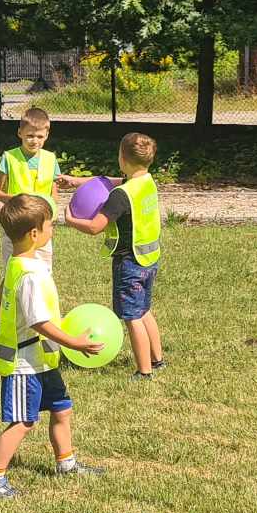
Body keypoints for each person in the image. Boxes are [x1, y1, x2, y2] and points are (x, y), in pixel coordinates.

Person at [0, 195, 103, 498]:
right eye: (49, 225)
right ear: (34, 233)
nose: (52, 230)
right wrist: (74, 343)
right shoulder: (30, 275)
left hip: (42, 359)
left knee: (62, 409)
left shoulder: (22, 263)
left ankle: (66, 463)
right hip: (25, 363)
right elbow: (38, 322)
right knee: (23, 422)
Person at [65, 131, 164, 379]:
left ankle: (144, 371)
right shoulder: (146, 181)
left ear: (123, 158)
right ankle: (157, 360)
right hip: (149, 259)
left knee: (132, 317)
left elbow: (94, 227)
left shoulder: (120, 196)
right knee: (144, 310)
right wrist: (77, 181)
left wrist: (70, 220)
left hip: (129, 262)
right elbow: (112, 180)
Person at [0, 107, 59, 330]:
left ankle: (46, 319)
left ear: (47, 135)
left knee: (44, 272)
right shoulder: (9, 158)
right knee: (13, 272)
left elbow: (54, 194)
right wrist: (17, 199)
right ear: (20, 133)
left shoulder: (50, 159)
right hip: (16, 228)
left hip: (42, 229)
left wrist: (50, 219)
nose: (34, 141)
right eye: (29, 136)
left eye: (39, 136)